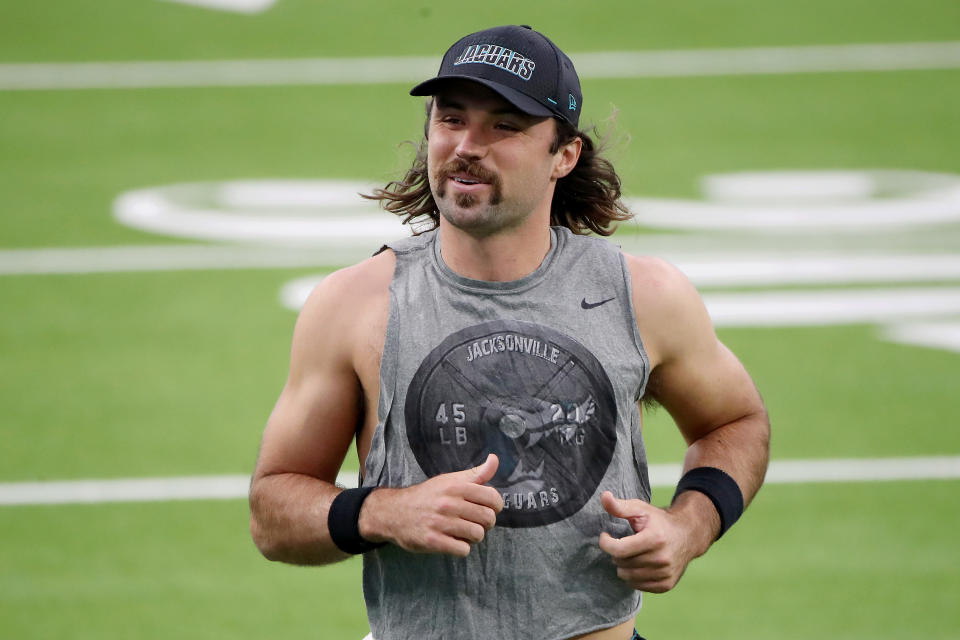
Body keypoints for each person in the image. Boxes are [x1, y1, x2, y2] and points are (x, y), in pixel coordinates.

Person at [249, 24, 770, 640]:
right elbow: (272, 511)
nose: (468, 145)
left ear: (564, 155)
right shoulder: (354, 304)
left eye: (505, 125)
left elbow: (735, 423)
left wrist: (690, 526)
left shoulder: (646, 296)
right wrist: (384, 513)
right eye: (450, 118)